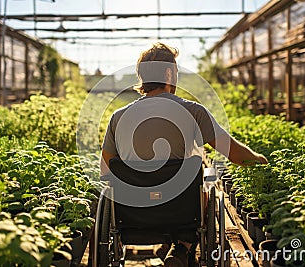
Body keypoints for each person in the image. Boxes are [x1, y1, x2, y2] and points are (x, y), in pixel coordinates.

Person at [100, 42, 267, 267]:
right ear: (169, 73)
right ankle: (183, 246)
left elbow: (106, 171)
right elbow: (236, 155)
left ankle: (170, 247)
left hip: (131, 217)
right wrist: (261, 161)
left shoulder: (118, 117)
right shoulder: (194, 111)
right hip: (182, 215)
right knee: (205, 182)